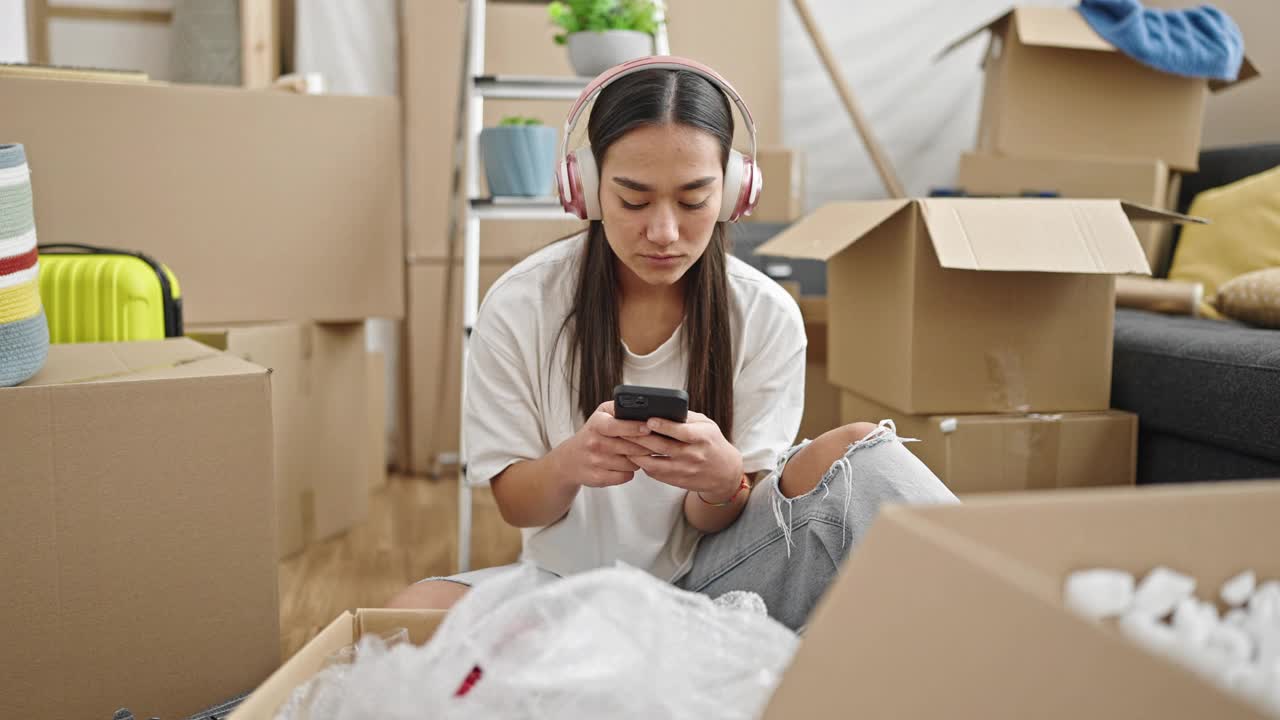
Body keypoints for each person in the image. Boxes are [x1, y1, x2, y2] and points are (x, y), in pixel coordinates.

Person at [387, 57, 957, 631]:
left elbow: (727, 520)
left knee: (864, 451)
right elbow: (516, 505)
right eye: (633, 201)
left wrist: (722, 479)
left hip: (717, 586)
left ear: (735, 193)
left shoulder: (765, 314)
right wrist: (570, 464)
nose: (663, 232)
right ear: (584, 188)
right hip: (565, 588)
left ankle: (1008, 624)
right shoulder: (521, 304)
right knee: (408, 616)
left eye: (692, 201)